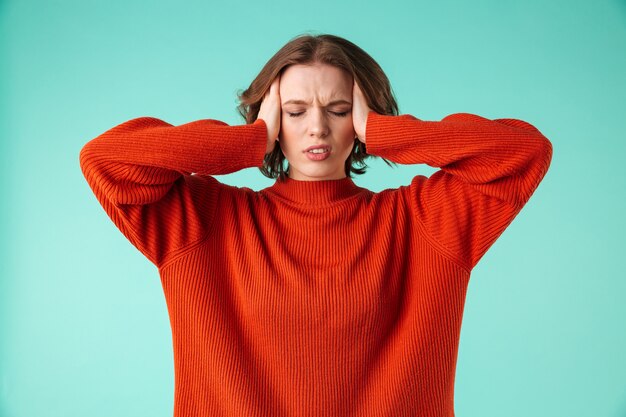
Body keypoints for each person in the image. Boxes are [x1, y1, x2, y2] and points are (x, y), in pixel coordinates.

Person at [79, 33, 553, 417]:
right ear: (271, 116)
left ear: (362, 119)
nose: (317, 129)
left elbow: (523, 151)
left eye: (340, 110)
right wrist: (249, 142)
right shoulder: (204, 220)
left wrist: (386, 132)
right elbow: (105, 160)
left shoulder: (425, 220)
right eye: (295, 111)